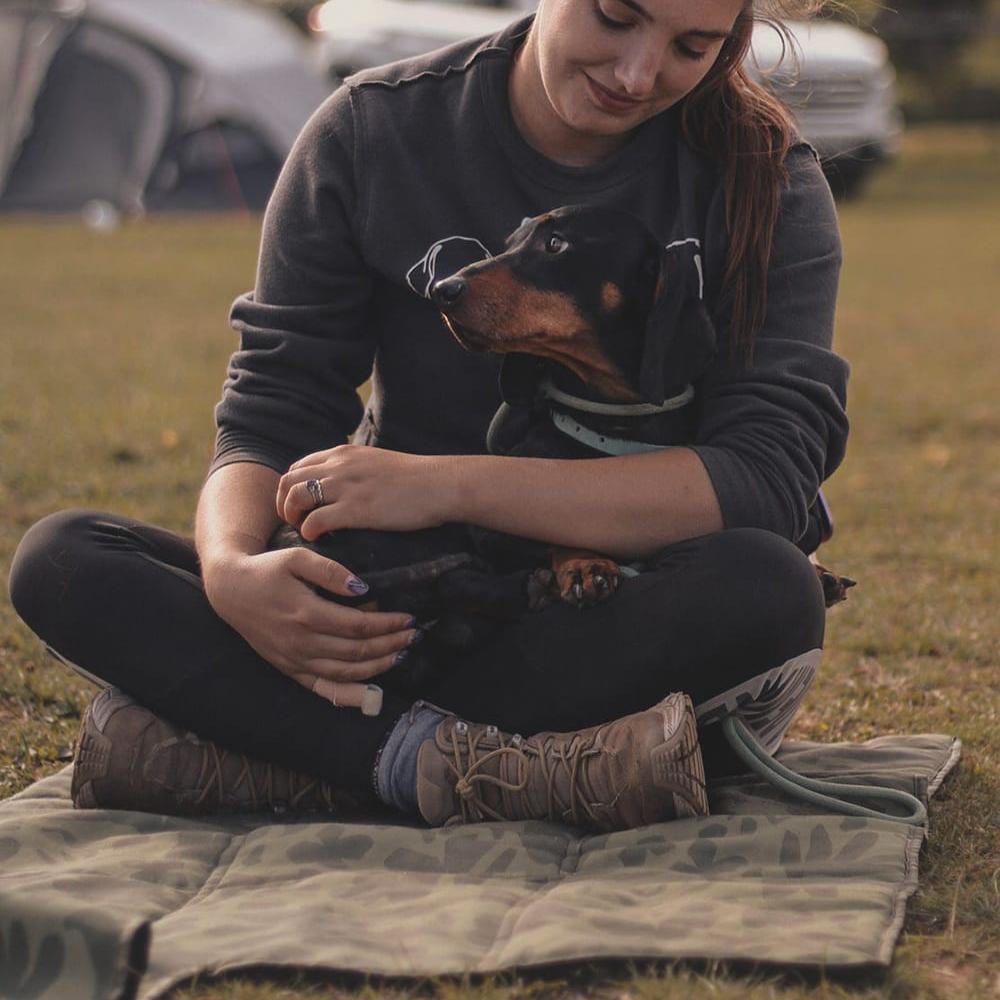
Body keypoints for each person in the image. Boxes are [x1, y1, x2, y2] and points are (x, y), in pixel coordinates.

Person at [8, 0, 848, 829]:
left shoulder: (767, 178)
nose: (637, 74)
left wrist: (444, 487)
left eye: (691, 46)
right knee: (66, 561)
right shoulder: (371, 131)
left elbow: (764, 479)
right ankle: (499, 770)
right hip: (390, 605)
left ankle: (303, 752)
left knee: (768, 588)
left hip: (589, 622)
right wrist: (232, 574)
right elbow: (276, 402)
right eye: (615, 18)